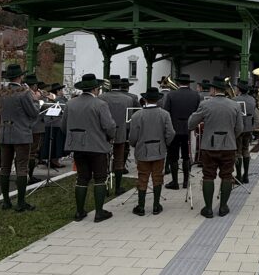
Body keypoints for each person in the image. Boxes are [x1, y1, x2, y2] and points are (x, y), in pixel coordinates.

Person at [61, 73, 116, 222]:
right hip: (97, 146)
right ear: (95, 89)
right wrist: (111, 136)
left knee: (82, 178)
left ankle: (79, 212)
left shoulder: (70, 104)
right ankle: (99, 212)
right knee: (99, 178)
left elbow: (63, 126)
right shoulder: (100, 104)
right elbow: (109, 126)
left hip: (78, 146)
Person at [188, 76, 243, 219]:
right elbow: (239, 128)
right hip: (229, 146)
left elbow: (191, 124)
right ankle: (223, 207)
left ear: (213, 89)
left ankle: (208, 209)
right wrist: (230, 137)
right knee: (227, 175)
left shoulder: (205, 105)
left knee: (208, 176)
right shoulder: (235, 105)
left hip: (209, 146)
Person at [0, 63, 40, 212]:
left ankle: (6, 201)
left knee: (5, 167)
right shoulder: (24, 92)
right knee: (21, 167)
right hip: (21, 132)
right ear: (20, 77)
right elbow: (33, 112)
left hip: (4, 132)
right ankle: (21, 202)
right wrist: (36, 100)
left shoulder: (2, 91)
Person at [128, 87, 174, 216]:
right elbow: (171, 132)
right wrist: (165, 144)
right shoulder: (164, 114)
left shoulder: (137, 115)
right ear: (158, 100)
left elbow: (133, 137)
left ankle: (141, 207)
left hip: (143, 150)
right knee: (157, 176)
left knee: (143, 177)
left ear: (145, 99)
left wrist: (134, 144)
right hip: (159, 150)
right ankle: (156, 205)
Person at [162, 73, 200, 190]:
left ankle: (175, 182)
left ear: (178, 83)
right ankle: (185, 181)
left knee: (173, 157)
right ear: (189, 83)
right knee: (186, 156)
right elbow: (197, 113)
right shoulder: (196, 95)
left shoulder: (171, 95)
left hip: (174, 129)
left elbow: (166, 113)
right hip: (188, 130)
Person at [101, 75, 135, 195]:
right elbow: (129, 119)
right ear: (120, 85)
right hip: (121, 133)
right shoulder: (128, 99)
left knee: (104, 160)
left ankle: (104, 187)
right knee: (119, 161)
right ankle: (118, 187)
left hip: (104, 134)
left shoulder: (101, 98)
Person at [233, 80, 258, 184]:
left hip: (239, 128)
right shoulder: (252, 99)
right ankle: (246, 175)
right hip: (249, 127)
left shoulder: (235, 99)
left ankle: (238, 176)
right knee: (246, 150)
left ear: (239, 89)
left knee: (238, 152)